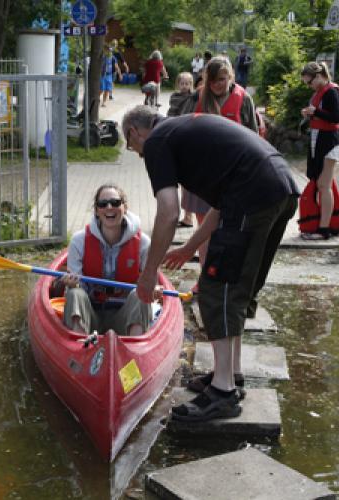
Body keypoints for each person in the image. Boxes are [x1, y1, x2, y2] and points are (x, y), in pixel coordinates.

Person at [122, 105, 299, 422]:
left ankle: (223, 393)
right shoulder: (184, 132)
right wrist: (188, 247)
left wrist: (149, 274)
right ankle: (230, 373)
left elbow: (168, 212)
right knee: (238, 287)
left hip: (254, 191)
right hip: (280, 186)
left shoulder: (158, 142)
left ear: (135, 131)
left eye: (130, 144)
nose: (135, 153)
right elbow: (218, 208)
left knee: (217, 287)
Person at [182, 56, 259, 295]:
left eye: (222, 80)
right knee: (203, 228)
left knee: (229, 229)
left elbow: (254, 137)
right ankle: (205, 278)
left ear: (231, 77)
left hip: (232, 175)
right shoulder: (197, 97)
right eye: (213, 80)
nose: (217, 85)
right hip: (201, 174)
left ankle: (226, 278)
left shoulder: (243, 99)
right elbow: (182, 127)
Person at [59, 184, 155, 337]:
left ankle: (135, 349)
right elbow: (78, 286)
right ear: (97, 211)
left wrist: (153, 289)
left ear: (125, 207)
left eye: (115, 203)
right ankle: (80, 347)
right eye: (103, 204)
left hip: (126, 315)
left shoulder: (143, 243)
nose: (109, 207)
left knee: (141, 295)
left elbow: (151, 280)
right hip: (91, 313)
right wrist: (73, 284)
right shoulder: (79, 241)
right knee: (74, 293)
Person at [300, 61, 339, 240]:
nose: (308, 86)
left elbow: (335, 117)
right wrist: (310, 114)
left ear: (318, 76)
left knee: (324, 186)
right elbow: (320, 115)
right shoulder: (319, 93)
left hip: (329, 143)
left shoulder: (331, 91)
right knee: (322, 184)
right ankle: (329, 223)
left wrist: (315, 112)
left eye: (309, 82)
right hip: (319, 142)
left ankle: (324, 228)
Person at [167, 72, 197, 228]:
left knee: (189, 183)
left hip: (190, 139)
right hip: (178, 139)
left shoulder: (194, 98)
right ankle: (185, 216)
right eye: (182, 83)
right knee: (182, 182)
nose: (185, 86)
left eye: (188, 83)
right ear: (178, 84)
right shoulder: (174, 98)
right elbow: (171, 115)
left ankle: (189, 216)